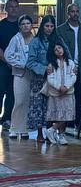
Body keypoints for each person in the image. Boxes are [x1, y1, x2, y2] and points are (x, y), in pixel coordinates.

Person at [57, 2, 81, 127]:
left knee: (80, 95)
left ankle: (79, 121)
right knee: (66, 95)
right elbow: (57, 49)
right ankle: (67, 122)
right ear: (68, 13)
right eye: (72, 11)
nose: (75, 14)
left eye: (77, 11)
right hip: (66, 68)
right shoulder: (60, 30)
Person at [27, 14, 59, 143]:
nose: (49, 28)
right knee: (38, 107)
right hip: (39, 80)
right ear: (42, 26)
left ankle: (51, 132)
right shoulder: (35, 42)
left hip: (54, 79)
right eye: (47, 26)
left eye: (51, 26)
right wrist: (44, 69)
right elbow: (30, 62)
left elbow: (65, 55)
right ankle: (39, 133)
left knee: (51, 107)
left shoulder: (58, 40)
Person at [4, 13, 33, 139]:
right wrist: (20, 64)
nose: (26, 26)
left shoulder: (35, 38)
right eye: (23, 24)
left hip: (33, 75)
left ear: (31, 25)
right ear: (20, 26)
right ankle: (14, 128)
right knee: (19, 101)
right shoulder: (16, 39)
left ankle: (24, 129)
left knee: (28, 102)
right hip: (19, 75)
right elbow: (8, 55)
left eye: (28, 23)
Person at [44, 39, 77, 145]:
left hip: (68, 92)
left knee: (67, 115)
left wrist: (66, 86)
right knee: (59, 115)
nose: (58, 50)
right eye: (55, 49)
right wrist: (59, 87)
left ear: (63, 48)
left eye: (59, 48)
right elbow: (50, 78)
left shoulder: (71, 63)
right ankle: (55, 132)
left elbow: (73, 76)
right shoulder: (51, 65)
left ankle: (58, 133)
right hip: (56, 93)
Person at [0, 0, 20, 127]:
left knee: (13, 93)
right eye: (11, 7)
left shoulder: (22, 25)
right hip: (2, 64)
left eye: (16, 7)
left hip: (17, 66)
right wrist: (7, 61)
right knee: (0, 91)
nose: (13, 9)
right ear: (6, 9)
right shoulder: (1, 25)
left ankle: (7, 118)